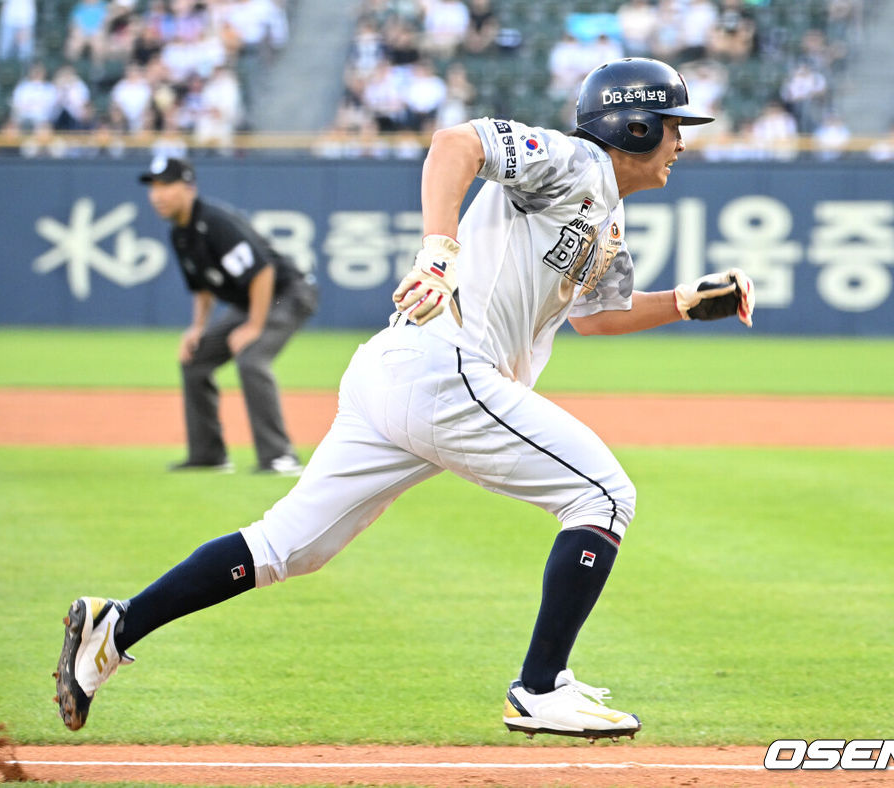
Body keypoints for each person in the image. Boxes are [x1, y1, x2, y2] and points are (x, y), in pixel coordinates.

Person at [55, 58, 755, 740]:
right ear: (632, 127)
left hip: (400, 374)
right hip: (447, 367)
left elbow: (597, 317)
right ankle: (541, 688)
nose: (681, 141)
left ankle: (113, 628)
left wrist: (688, 304)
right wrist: (438, 248)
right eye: (670, 124)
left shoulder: (608, 218)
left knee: (285, 548)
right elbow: (457, 143)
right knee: (603, 496)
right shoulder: (573, 162)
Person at [137, 155, 318, 474]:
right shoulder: (180, 232)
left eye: (166, 185)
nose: (157, 194)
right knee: (195, 359)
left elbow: (262, 271)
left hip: (288, 294)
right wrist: (197, 329)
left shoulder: (214, 221)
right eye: (153, 187)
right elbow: (203, 287)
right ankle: (208, 455)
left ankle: (280, 456)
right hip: (254, 301)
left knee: (251, 358)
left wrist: (253, 326)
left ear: (189, 188)